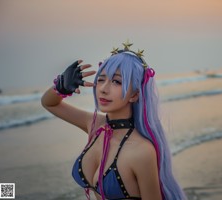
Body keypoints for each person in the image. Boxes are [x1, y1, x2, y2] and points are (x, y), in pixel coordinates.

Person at [41, 41, 187, 200]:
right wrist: (61, 87)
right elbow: (49, 103)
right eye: (101, 79)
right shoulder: (95, 125)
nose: (104, 88)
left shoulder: (142, 151)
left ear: (134, 95)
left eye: (116, 81)